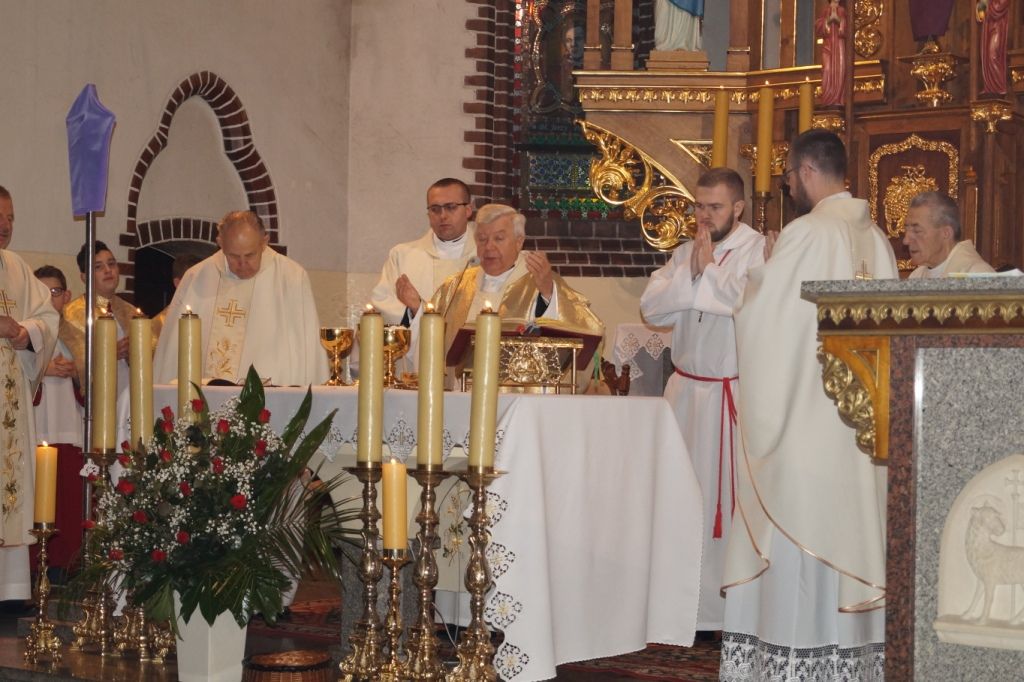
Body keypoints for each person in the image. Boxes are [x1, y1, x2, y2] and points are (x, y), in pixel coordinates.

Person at [720, 130, 898, 677]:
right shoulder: (877, 240)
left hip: (805, 423)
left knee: (798, 548)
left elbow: (766, 320)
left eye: (789, 177)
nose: (789, 187)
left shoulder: (807, 232)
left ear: (806, 172)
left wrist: (763, 272)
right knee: (848, 533)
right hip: (857, 429)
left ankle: (796, 666)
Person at [639, 168, 764, 631]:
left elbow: (745, 303)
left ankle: (720, 612)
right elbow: (651, 308)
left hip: (727, 397)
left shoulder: (757, 251)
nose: (704, 216)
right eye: (698, 206)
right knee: (678, 498)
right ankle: (678, 608)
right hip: (684, 392)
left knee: (721, 504)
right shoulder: (686, 252)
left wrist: (707, 273)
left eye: (715, 207)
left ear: (738, 207)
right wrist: (692, 270)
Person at [153, 210, 327, 386]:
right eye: (233, 256)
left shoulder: (291, 277)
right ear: (220, 243)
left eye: (250, 255)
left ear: (264, 242)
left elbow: (309, 349)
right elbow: (171, 353)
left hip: (270, 398)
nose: (242, 264)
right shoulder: (196, 278)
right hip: (205, 398)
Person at [427, 203, 604, 362]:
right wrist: (415, 310)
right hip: (461, 386)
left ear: (519, 242)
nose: (489, 247)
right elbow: (430, 337)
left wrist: (548, 296)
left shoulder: (541, 280)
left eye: (498, 238)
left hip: (518, 386)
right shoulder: (456, 285)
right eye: (482, 239)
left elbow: (589, 328)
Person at [0, 185, 59, 602]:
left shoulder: (17, 268)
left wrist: (25, 333)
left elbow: (47, 317)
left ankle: (10, 589)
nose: (5, 226)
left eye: (10, 218)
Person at [370, 178, 477, 326]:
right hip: (419, 341)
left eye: (451, 207)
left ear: (468, 210)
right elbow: (382, 302)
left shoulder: (486, 256)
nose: (443, 215)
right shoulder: (402, 255)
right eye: (435, 209)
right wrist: (415, 310)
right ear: (428, 214)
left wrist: (422, 310)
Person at [33, 265, 84, 573]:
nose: (49, 298)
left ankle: (67, 567)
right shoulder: (25, 334)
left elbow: (96, 383)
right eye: (41, 292)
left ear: (66, 296)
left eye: (54, 292)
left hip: (70, 427)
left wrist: (78, 372)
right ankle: (34, 569)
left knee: (67, 501)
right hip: (35, 426)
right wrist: (43, 370)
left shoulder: (77, 335)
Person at [60, 241, 148, 394]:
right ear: (84, 277)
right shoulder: (71, 314)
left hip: (133, 395)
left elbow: (149, 359)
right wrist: (109, 354)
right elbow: (74, 368)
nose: (108, 270)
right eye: (98, 267)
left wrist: (135, 353)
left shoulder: (131, 312)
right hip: (95, 399)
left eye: (112, 264)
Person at [904, 191, 994, 278]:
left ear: (946, 233)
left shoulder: (977, 275)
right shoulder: (917, 275)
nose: (906, 241)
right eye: (906, 230)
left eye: (917, 231)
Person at [152, 252, 203, 332]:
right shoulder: (162, 321)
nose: (199, 286)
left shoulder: (208, 312)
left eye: (201, 280)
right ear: (178, 283)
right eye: (193, 280)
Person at [816, 0, 847, 106]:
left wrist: (837, 19)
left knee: (840, 69)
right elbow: (818, 27)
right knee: (827, 69)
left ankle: (838, 97)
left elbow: (847, 28)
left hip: (839, 45)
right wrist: (829, 20)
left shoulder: (842, 10)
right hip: (828, 44)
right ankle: (828, 97)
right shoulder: (825, 11)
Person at [978, 0, 1010, 95]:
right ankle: (989, 87)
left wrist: (986, 4)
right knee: (987, 56)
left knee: (993, 54)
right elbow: (981, 12)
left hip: (998, 26)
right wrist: (981, 6)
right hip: (988, 26)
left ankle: (998, 86)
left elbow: (998, 8)